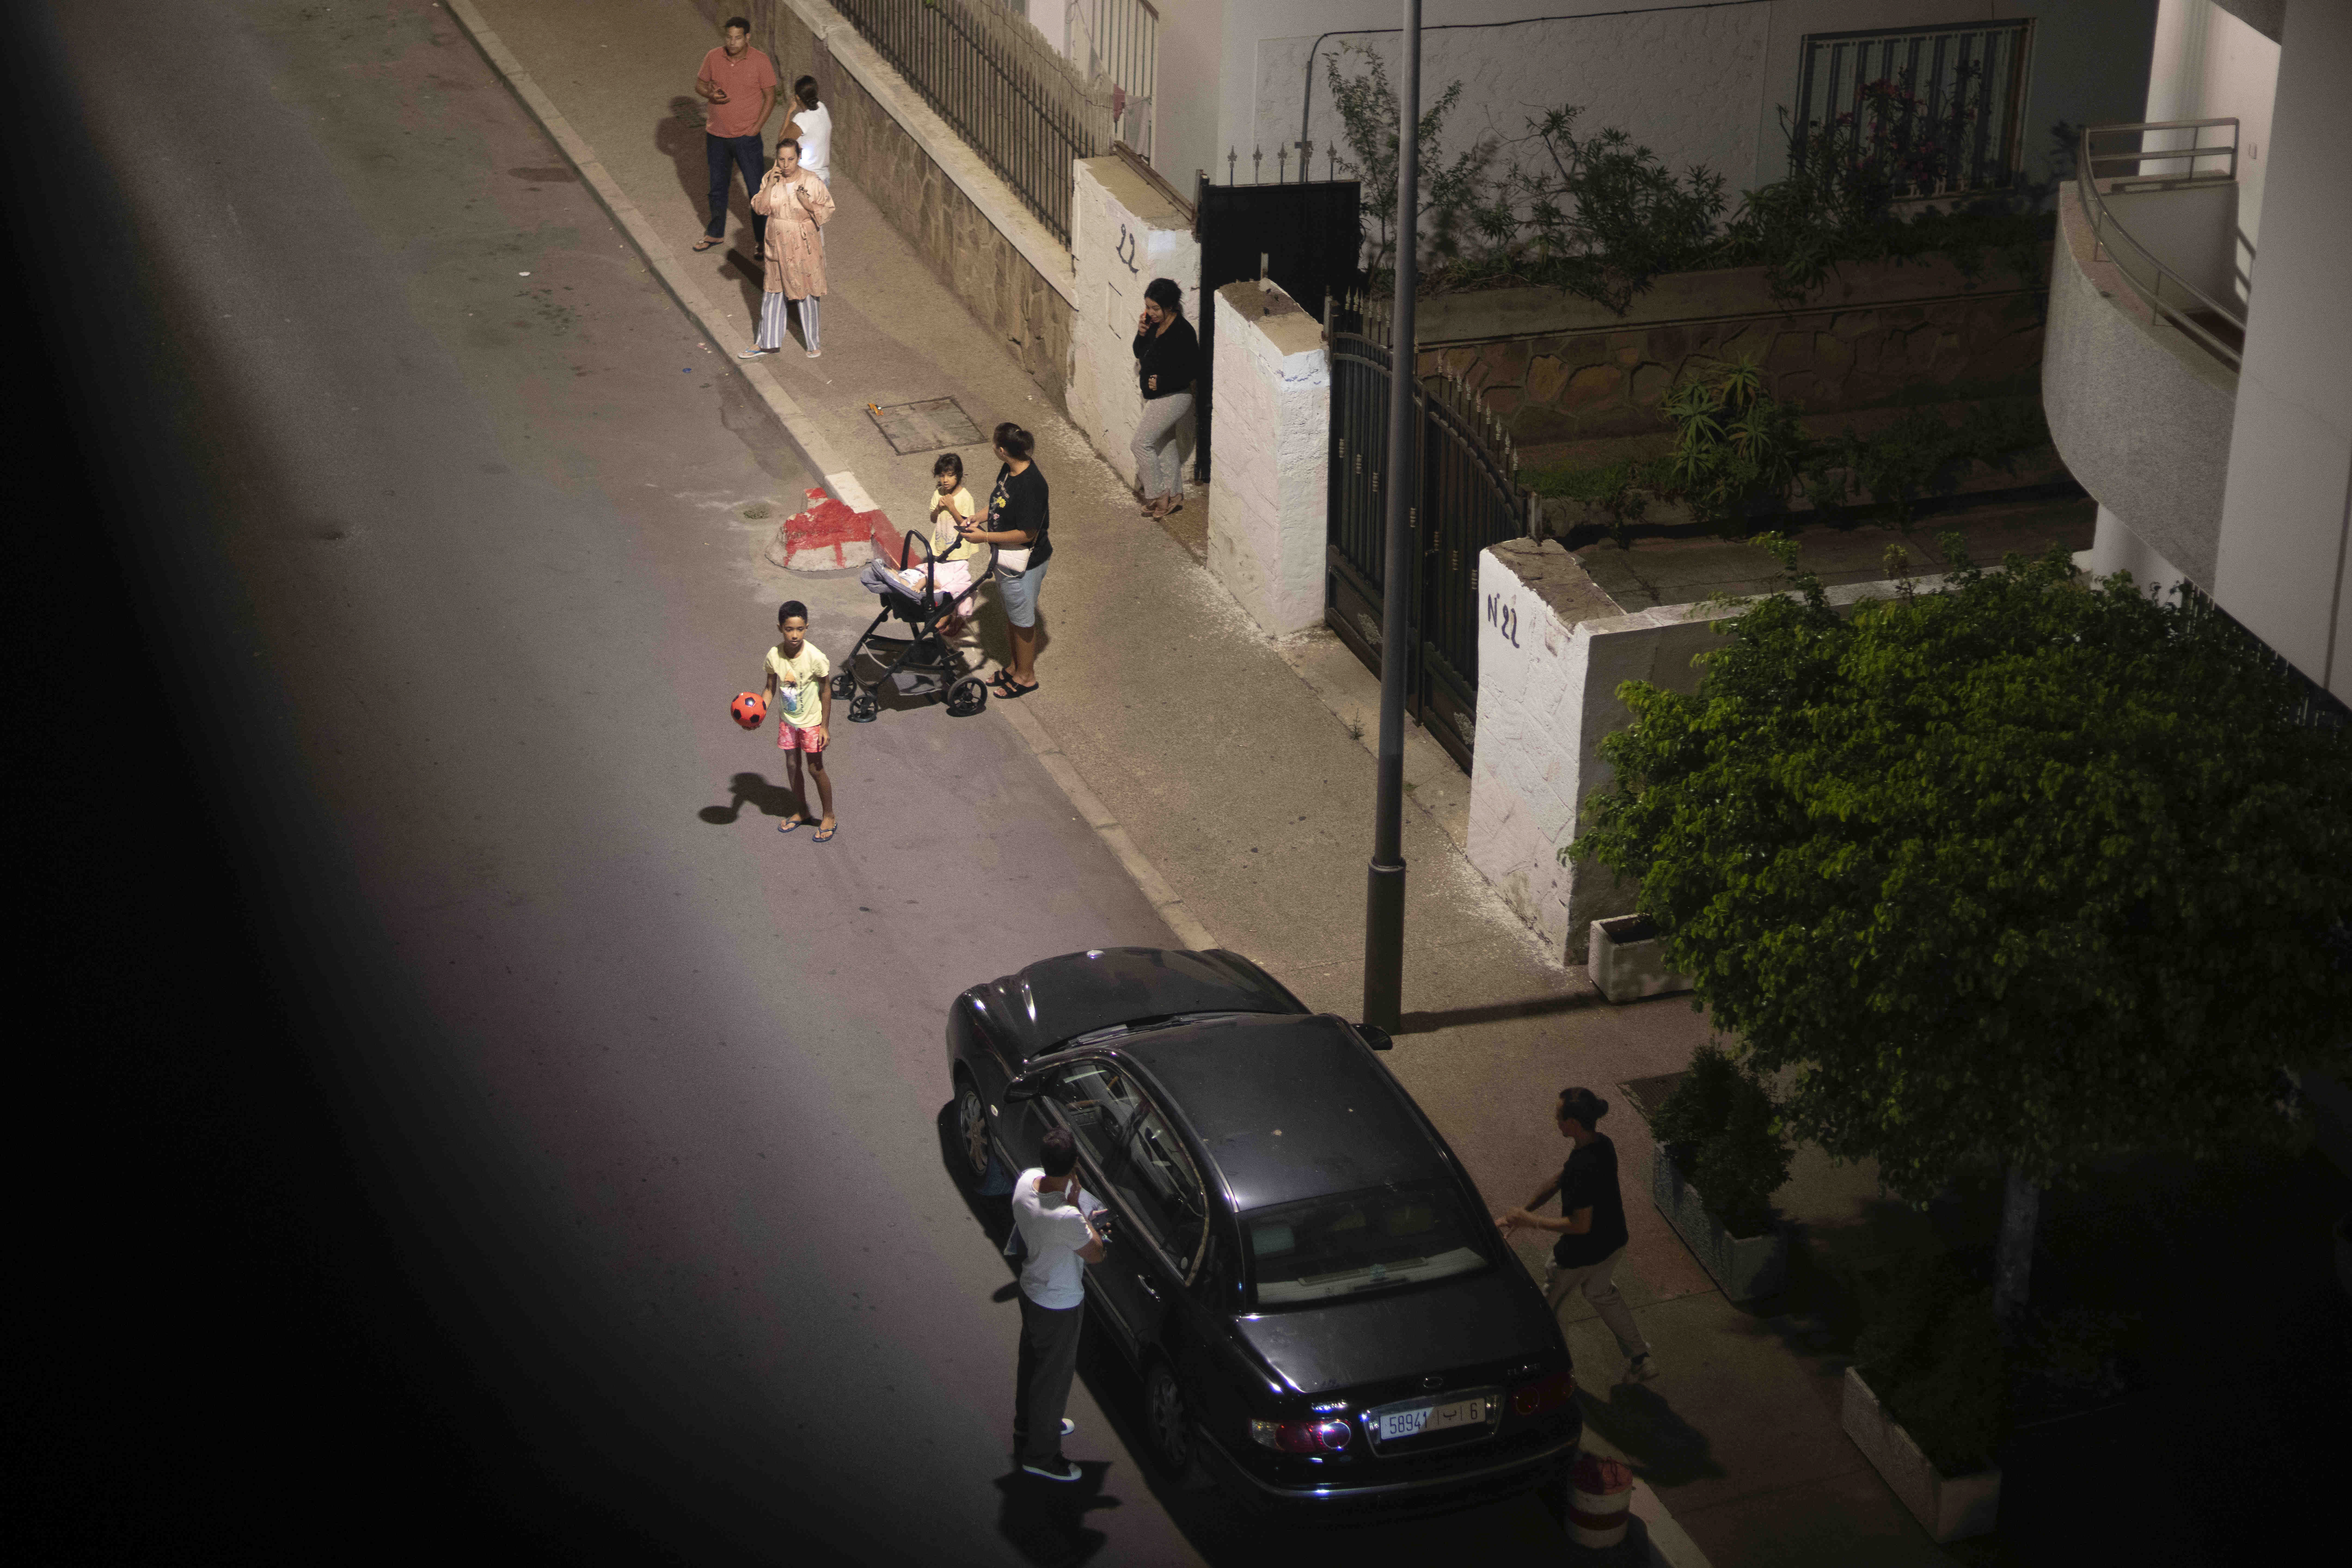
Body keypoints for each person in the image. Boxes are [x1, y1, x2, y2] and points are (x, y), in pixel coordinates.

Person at [1498, 1087, 1658, 1383]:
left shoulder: (1582, 1170)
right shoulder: (1600, 1145)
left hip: (1579, 1256)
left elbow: (1580, 1225)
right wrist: (1521, 1212)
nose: (1555, 1121)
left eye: (1559, 1117)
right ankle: (1640, 1358)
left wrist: (1531, 1221)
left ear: (1573, 1123)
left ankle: (1558, 1372)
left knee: (1546, 1314)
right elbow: (1561, 1178)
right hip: (1613, 1243)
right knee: (1600, 1293)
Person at [1010, 1128, 1105, 1482]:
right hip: (1059, 1305)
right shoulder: (1068, 1217)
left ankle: (1027, 1426)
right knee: (1053, 1382)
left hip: (1032, 1292)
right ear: (1075, 1165)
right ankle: (1042, 1455)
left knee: (1031, 1363)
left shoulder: (1026, 1182)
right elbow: (1096, 1254)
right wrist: (1078, 1204)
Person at [960, 424, 1050, 699]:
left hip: (1025, 563)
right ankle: (1014, 668)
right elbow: (999, 503)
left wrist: (985, 537)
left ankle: (1026, 677)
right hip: (1005, 558)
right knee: (1013, 615)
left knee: (1023, 621)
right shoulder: (1010, 471)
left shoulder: (1032, 485)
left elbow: (1028, 533)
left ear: (1002, 451)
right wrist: (978, 517)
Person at [741, 140, 835, 359]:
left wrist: (809, 204)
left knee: (807, 291)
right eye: (781, 159)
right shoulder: (770, 179)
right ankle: (767, 342)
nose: (786, 164)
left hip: (804, 244)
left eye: (791, 159)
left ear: (799, 157)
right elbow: (760, 208)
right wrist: (772, 186)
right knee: (773, 290)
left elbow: (828, 211)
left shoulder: (811, 181)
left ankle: (813, 343)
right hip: (777, 241)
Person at [692, 17, 777, 257]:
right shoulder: (713, 57)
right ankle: (715, 233)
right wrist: (710, 93)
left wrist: (756, 128)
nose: (732, 42)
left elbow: (770, 98)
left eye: (738, 37)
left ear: (748, 38)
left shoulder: (760, 61)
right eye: (729, 37)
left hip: (747, 139)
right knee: (717, 189)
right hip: (716, 135)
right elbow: (699, 85)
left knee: (755, 192)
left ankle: (762, 242)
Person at [761, 599, 836, 841]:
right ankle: (802, 811)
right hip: (788, 722)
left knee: (816, 769)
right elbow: (770, 688)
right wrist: (759, 713)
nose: (795, 635)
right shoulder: (774, 655)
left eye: (800, 629)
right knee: (793, 766)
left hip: (812, 723)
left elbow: (826, 691)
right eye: (789, 629)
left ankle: (829, 816)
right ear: (780, 628)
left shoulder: (816, 657)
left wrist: (824, 727)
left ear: (807, 627)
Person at [1130, 278, 1198, 520]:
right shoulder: (1152, 324)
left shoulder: (1183, 332)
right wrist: (1142, 333)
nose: (1151, 313)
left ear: (1171, 307)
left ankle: (1159, 494)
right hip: (1159, 397)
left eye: (1156, 309)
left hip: (1176, 396)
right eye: (1148, 307)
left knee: (1141, 444)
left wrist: (1162, 381)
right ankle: (1175, 495)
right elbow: (1140, 352)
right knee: (1163, 443)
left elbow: (1191, 371)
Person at [785, 76, 832, 187]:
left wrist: (790, 111)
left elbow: (783, 142)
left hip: (807, 182)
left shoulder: (801, 120)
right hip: (824, 180)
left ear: (798, 98)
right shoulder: (822, 108)